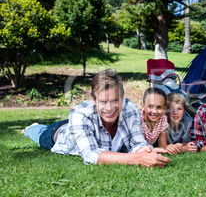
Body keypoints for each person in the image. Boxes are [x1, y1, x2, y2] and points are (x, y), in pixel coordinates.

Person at [22, 69, 171, 168]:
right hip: (60, 134)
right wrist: (137, 159)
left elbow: (138, 142)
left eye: (114, 101)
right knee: (38, 132)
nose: (109, 108)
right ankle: (31, 127)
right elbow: (90, 155)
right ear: (94, 101)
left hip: (83, 127)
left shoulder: (130, 108)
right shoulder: (80, 113)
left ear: (122, 98)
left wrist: (144, 150)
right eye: (103, 102)